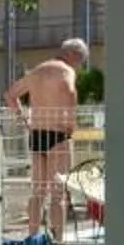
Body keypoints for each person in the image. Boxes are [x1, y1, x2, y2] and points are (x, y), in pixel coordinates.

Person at [6, 40, 87, 231]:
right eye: (81, 60)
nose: (80, 64)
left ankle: (32, 239)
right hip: (58, 134)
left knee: (38, 192)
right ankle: (57, 244)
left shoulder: (36, 71)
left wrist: (22, 119)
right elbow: (70, 91)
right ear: (73, 54)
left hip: (37, 133)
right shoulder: (66, 71)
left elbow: (10, 95)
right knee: (58, 195)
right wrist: (70, 124)